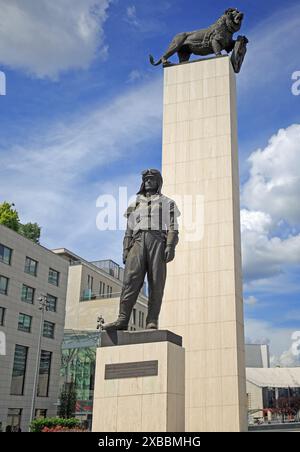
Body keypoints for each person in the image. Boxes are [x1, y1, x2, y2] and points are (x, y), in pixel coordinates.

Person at [103, 169, 180, 331]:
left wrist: (170, 246)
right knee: (130, 280)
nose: (148, 181)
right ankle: (122, 319)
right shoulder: (135, 203)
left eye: (152, 179)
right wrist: (125, 249)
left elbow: (173, 227)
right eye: (146, 179)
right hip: (137, 242)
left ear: (158, 182)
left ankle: (152, 320)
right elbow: (128, 230)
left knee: (156, 282)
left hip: (157, 241)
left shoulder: (168, 202)